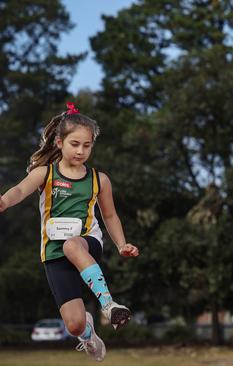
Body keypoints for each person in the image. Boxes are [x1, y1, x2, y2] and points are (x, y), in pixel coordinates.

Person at [0, 102, 139, 362]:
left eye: (87, 146)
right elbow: (19, 190)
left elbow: (109, 215)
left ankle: (109, 306)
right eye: (75, 144)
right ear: (59, 142)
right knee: (73, 325)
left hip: (87, 243)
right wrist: (4, 201)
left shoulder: (100, 179)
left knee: (72, 245)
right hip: (53, 252)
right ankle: (88, 334)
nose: (81, 151)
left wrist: (121, 244)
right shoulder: (45, 174)